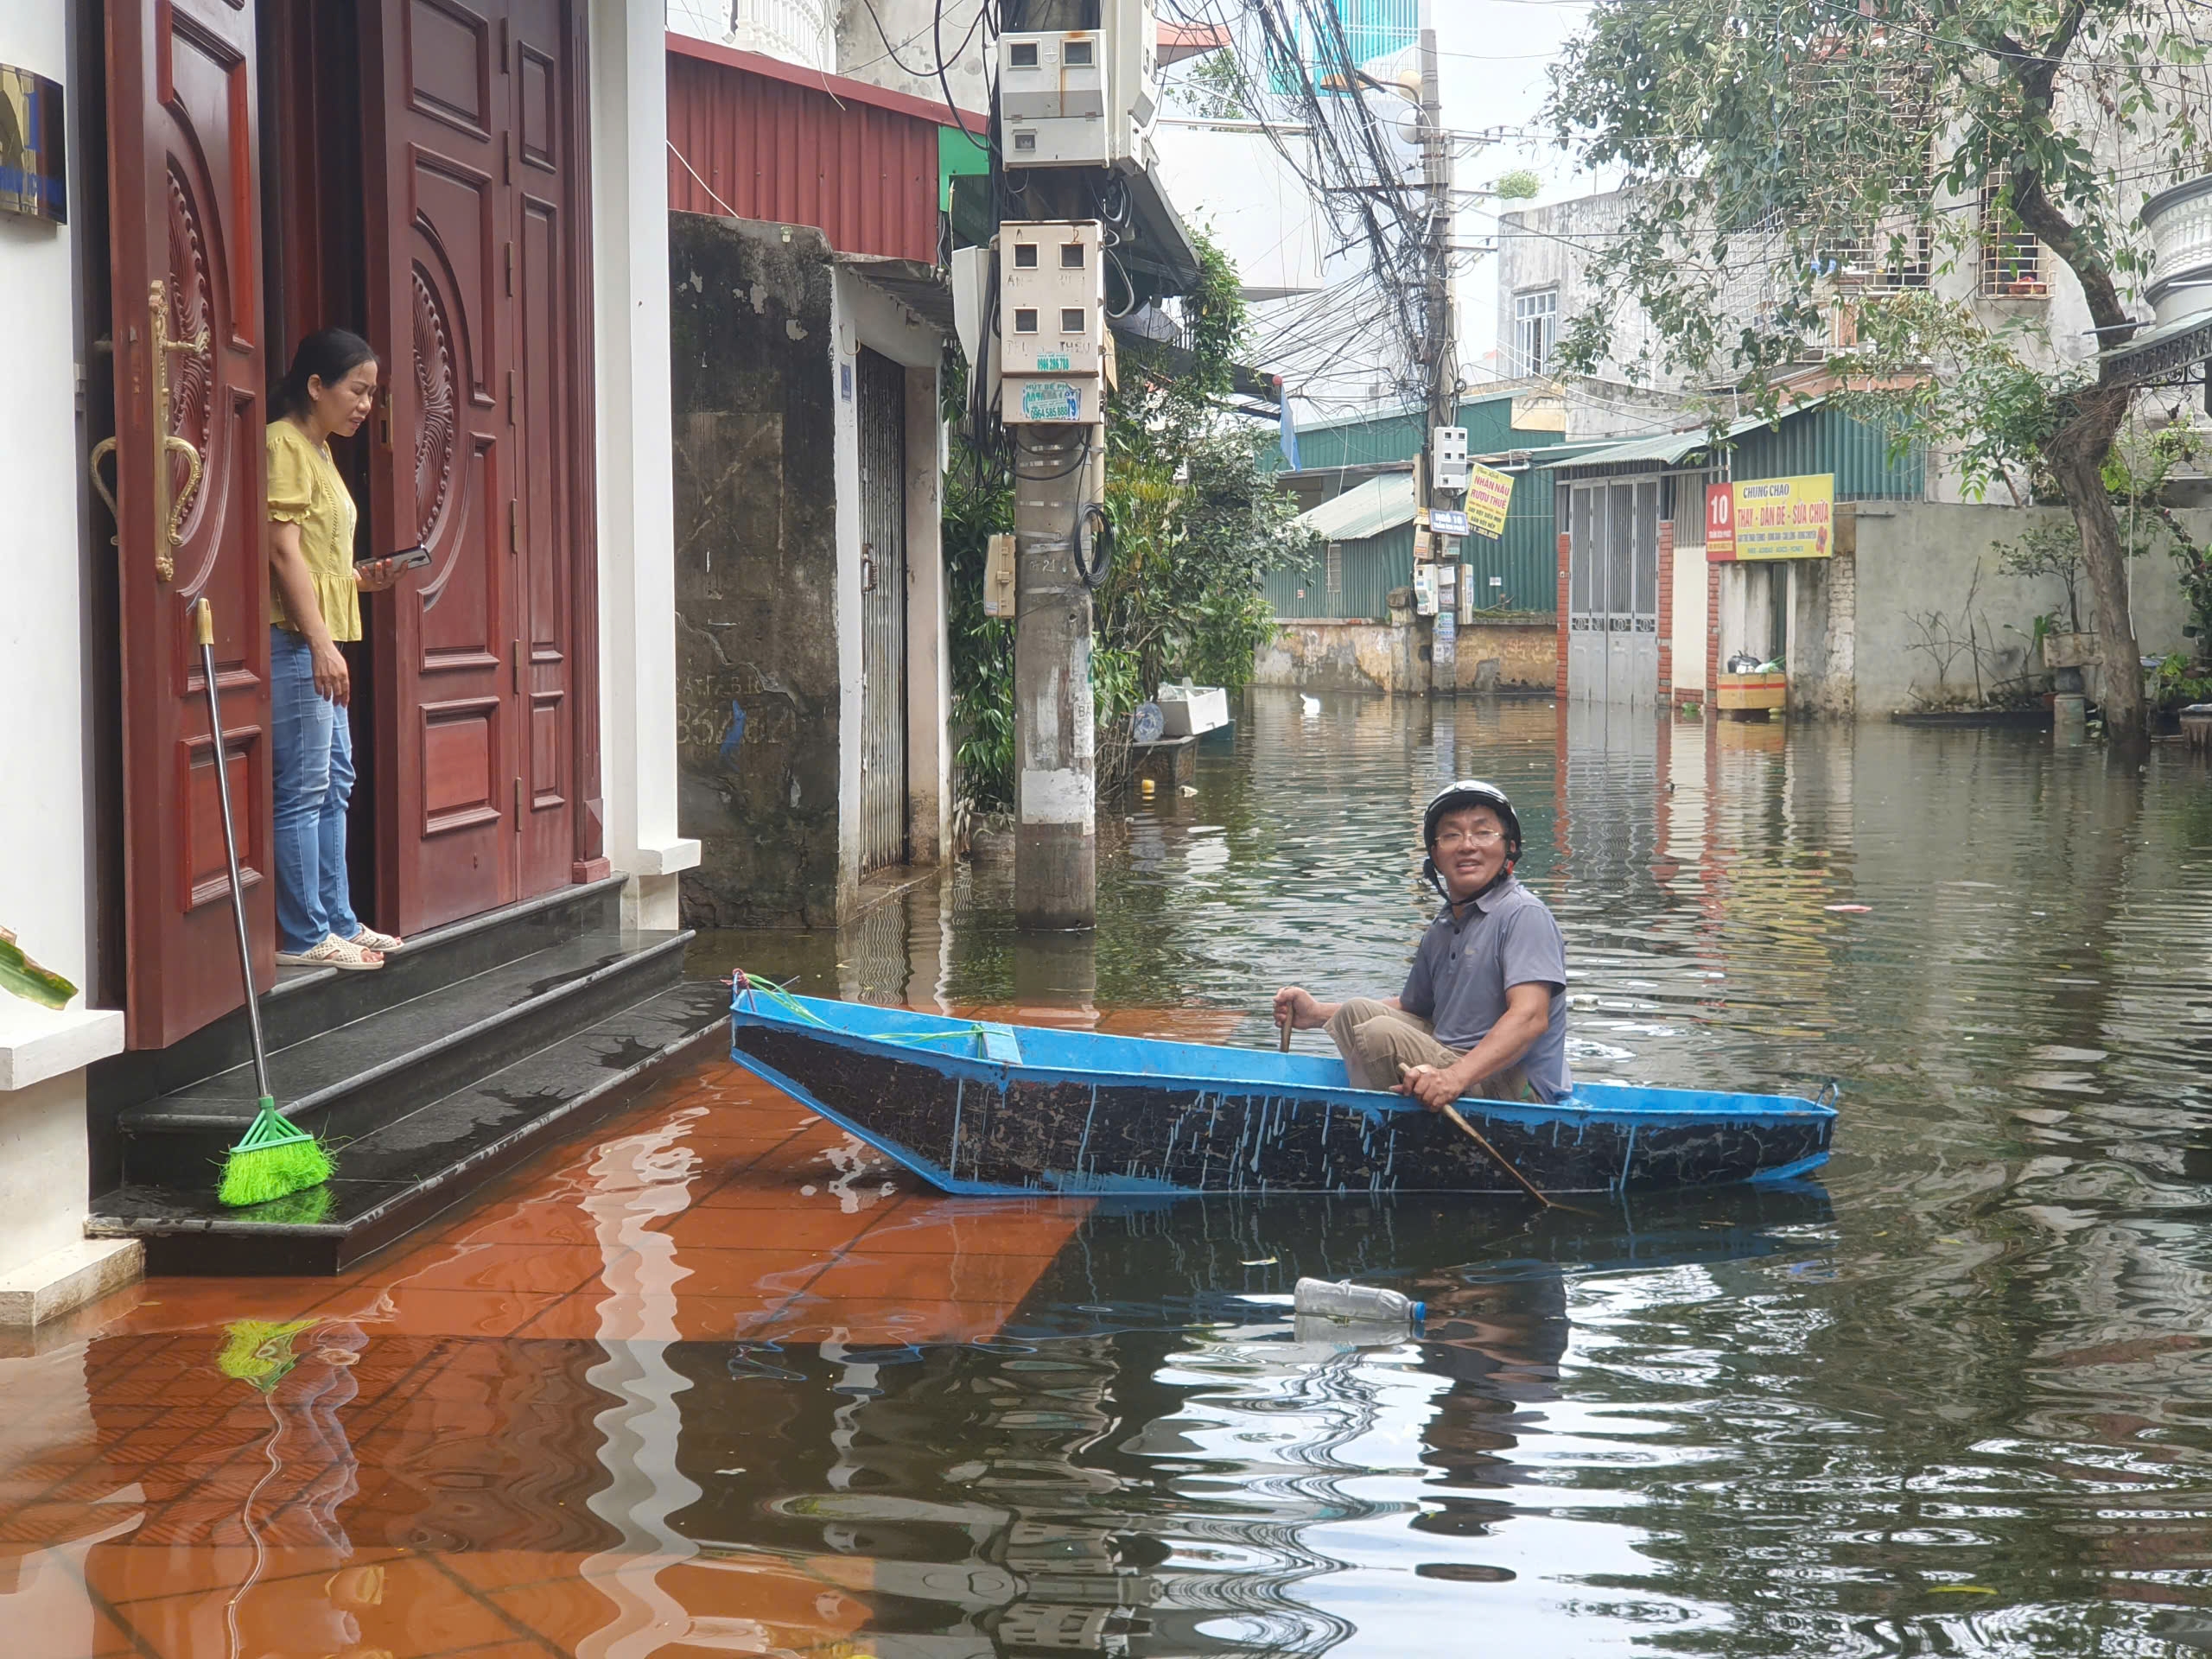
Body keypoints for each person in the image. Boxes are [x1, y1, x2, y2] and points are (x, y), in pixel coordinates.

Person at [1274, 780, 1570, 1109]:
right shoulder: (1445, 925)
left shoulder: (1523, 914)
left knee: (1378, 1035)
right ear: (1435, 856)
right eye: (1451, 835)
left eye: (1483, 832)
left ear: (1509, 848)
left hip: (1519, 1090)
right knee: (1354, 1013)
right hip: (1453, 1061)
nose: (1467, 845)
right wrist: (1316, 1014)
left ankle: (1377, 1125)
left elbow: (1530, 1017)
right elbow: (1414, 1006)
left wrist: (1454, 1077)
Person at [266, 328, 410, 970]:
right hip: (298, 641)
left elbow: (315, 557)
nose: (365, 406)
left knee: (336, 781)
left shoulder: (320, 451)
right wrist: (323, 643)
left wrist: (357, 579)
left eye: (372, 394)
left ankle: (339, 921)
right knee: (305, 787)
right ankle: (305, 935)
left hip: (318, 641)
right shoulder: (283, 443)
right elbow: (281, 551)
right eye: (357, 390)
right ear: (316, 385)